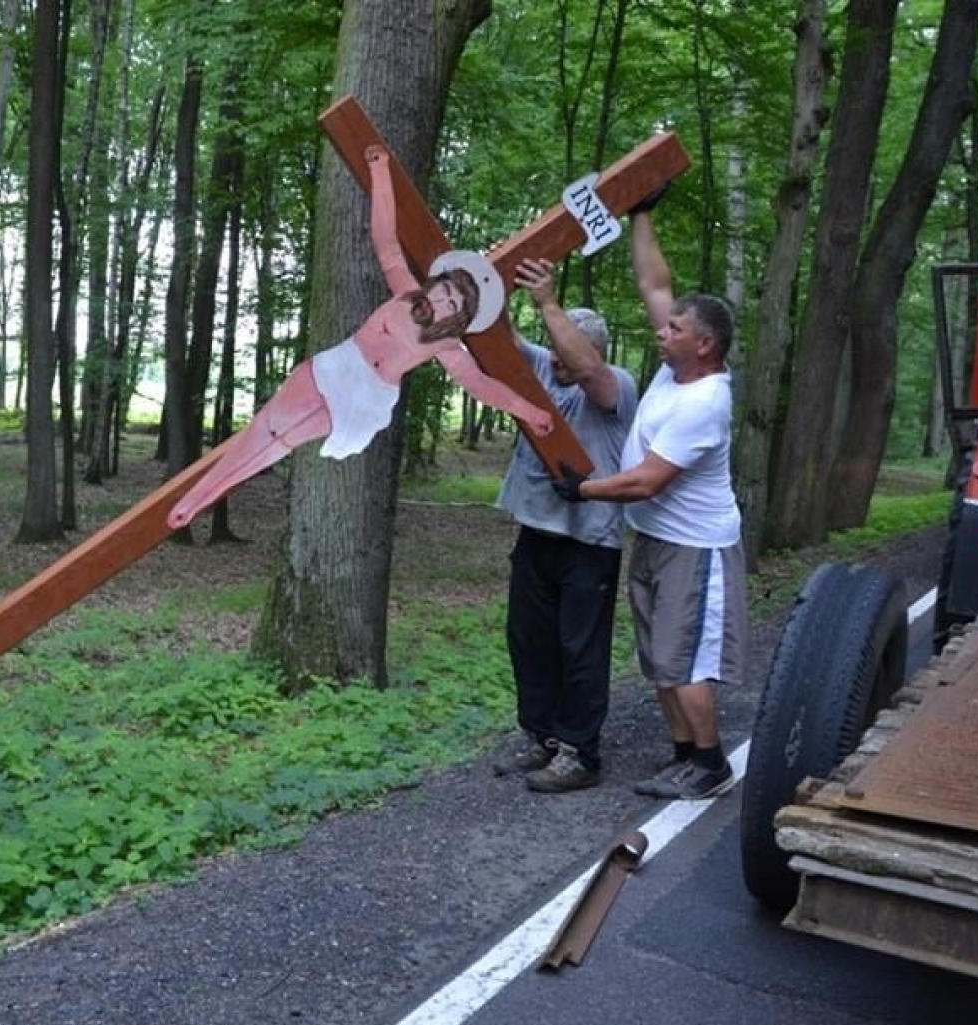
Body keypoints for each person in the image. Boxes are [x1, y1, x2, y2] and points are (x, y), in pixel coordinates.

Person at [167, 145, 552, 528]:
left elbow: (482, 386)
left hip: (367, 397)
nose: (443, 302)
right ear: (436, 283)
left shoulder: (446, 345)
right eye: (445, 291)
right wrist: (380, 171)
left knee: (284, 440)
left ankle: (201, 500)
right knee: (269, 425)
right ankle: (197, 498)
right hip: (339, 367)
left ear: (459, 320)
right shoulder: (405, 289)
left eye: (454, 306)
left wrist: (530, 412)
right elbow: (385, 238)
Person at [551, 197, 746, 801]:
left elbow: (646, 480)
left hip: (696, 548)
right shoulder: (673, 371)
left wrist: (582, 488)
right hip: (657, 539)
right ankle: (684, 755)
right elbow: (654, 281)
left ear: (705, 344)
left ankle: (710, 764)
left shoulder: (705, 401)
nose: (661, 333)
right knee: (659, 657)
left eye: (674, 330)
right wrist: (641, 212)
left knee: (684, 660)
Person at [492, 259, 638, 794]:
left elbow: (593, 377)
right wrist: (494, 285)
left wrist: (549, 304)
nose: (553, 359)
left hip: (589, 541)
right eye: (551, 349)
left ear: (589, 351)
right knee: (529, 640)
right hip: (538, 534)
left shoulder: (614, 387)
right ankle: (541, 736)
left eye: (564, 351)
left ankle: (580, 752)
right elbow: (501, 337)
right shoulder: (546, 368)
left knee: (580, 647)